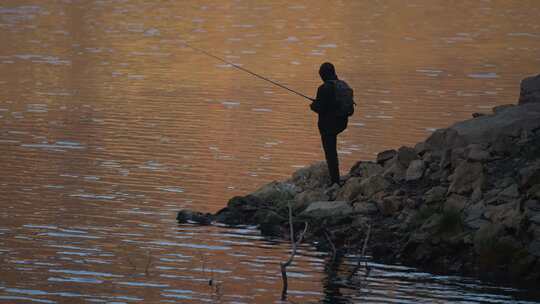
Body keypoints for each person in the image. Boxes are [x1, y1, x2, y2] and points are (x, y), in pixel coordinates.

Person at [310, 62, 348, 186]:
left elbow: (319, 108)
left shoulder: (323, 88)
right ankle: (336, 179)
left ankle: (335, 182)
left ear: (323, 75)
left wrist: (313, 105)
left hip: (328, 126)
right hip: (342, 122)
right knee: (332, 151)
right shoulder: (342, 85)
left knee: (330, 153)